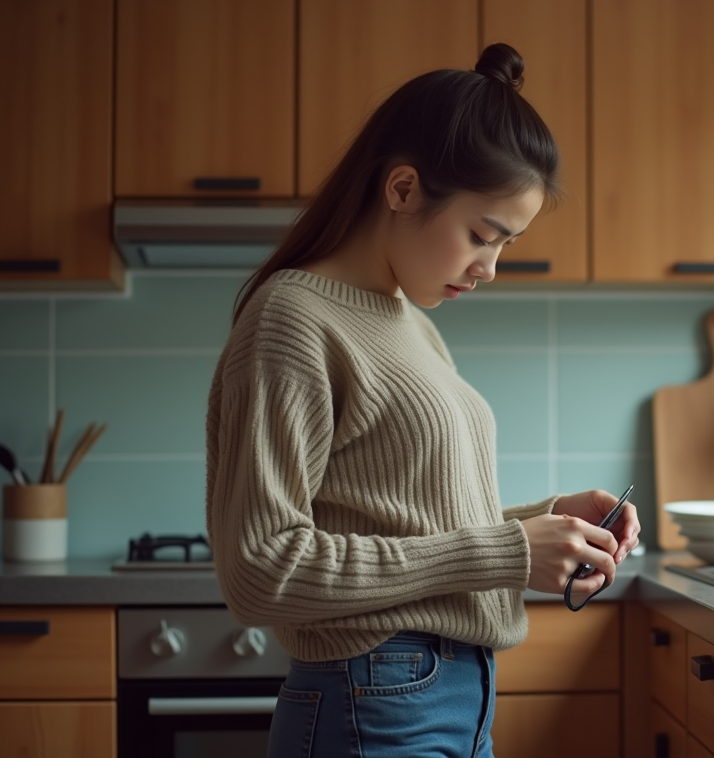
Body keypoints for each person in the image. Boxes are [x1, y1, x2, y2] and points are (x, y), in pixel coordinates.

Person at [205, 43, 640, 758]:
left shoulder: (413, 328)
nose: (490, 268)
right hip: (373, 698)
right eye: (481, 235)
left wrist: (548, 521)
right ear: (403, 189)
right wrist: (507, 551)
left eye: (506, 245)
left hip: (449, 694)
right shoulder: (295, 318)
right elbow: (263, 569)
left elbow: (410, 520)